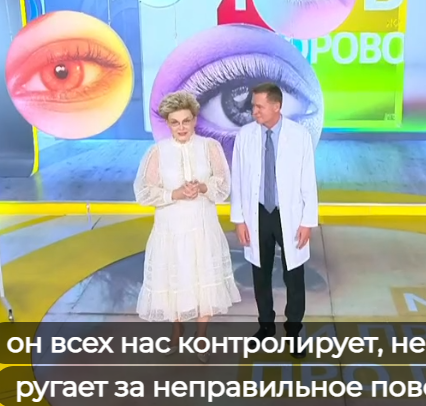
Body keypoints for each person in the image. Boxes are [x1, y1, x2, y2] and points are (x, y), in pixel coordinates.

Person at [133, 91, 241, 363]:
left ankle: (201, 336)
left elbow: (223, 185)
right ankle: (177, 330)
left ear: (194, 120)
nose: (181, 127)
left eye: (186, 121)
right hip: (170, 229)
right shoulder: (158, 152)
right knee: (175, 278)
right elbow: (144, 192)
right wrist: (175, 194)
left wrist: (203, 187)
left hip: (203, 227)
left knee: (204, 280)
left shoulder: (210, 147)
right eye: (175, 122)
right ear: (168, 124)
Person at [229, 82, 319, 358]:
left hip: (288, 214)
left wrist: (307, 221)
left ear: (277, 106)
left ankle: (294, 330)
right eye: (253, 106)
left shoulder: (299, 136)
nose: (253, 111)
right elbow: (238, 179)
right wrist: (239, 220)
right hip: (257, 214)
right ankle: (266, 326)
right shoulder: (245, 136)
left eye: (259, 106)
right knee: (260, 272)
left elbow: (308, 180)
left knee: (294, 274)